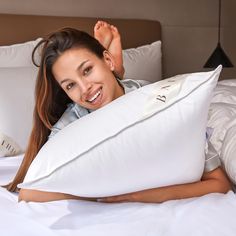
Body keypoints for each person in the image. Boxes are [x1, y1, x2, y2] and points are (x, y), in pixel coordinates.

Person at [7, 21, 232, 203]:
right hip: (109, 95)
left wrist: (136, 196)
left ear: (106, 60)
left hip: (135, 92)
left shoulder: (163, 103)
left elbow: (218, 182)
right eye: (70, 85)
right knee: (107, 94)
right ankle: (115, 75)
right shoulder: (70, 124)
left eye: (87, 70)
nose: (84, 89)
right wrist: (103, 193)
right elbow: (30, 193)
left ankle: (117, 75)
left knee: (126, 95)